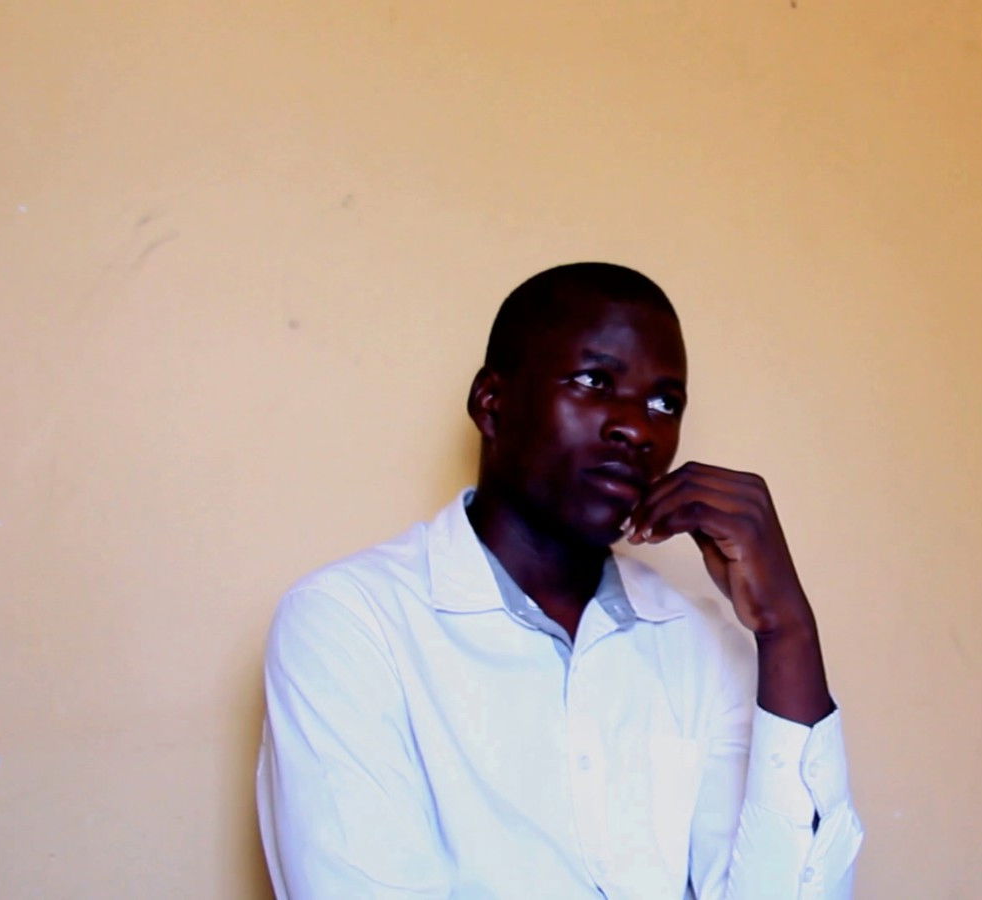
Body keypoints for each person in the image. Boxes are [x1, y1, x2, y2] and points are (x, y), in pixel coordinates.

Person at [256, 263, 864, 898]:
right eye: (594, 381)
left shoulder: (702, 643)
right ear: (491, 403)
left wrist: (787, 630)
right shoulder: (352, 624)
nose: (638, 428)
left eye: (665, 403)